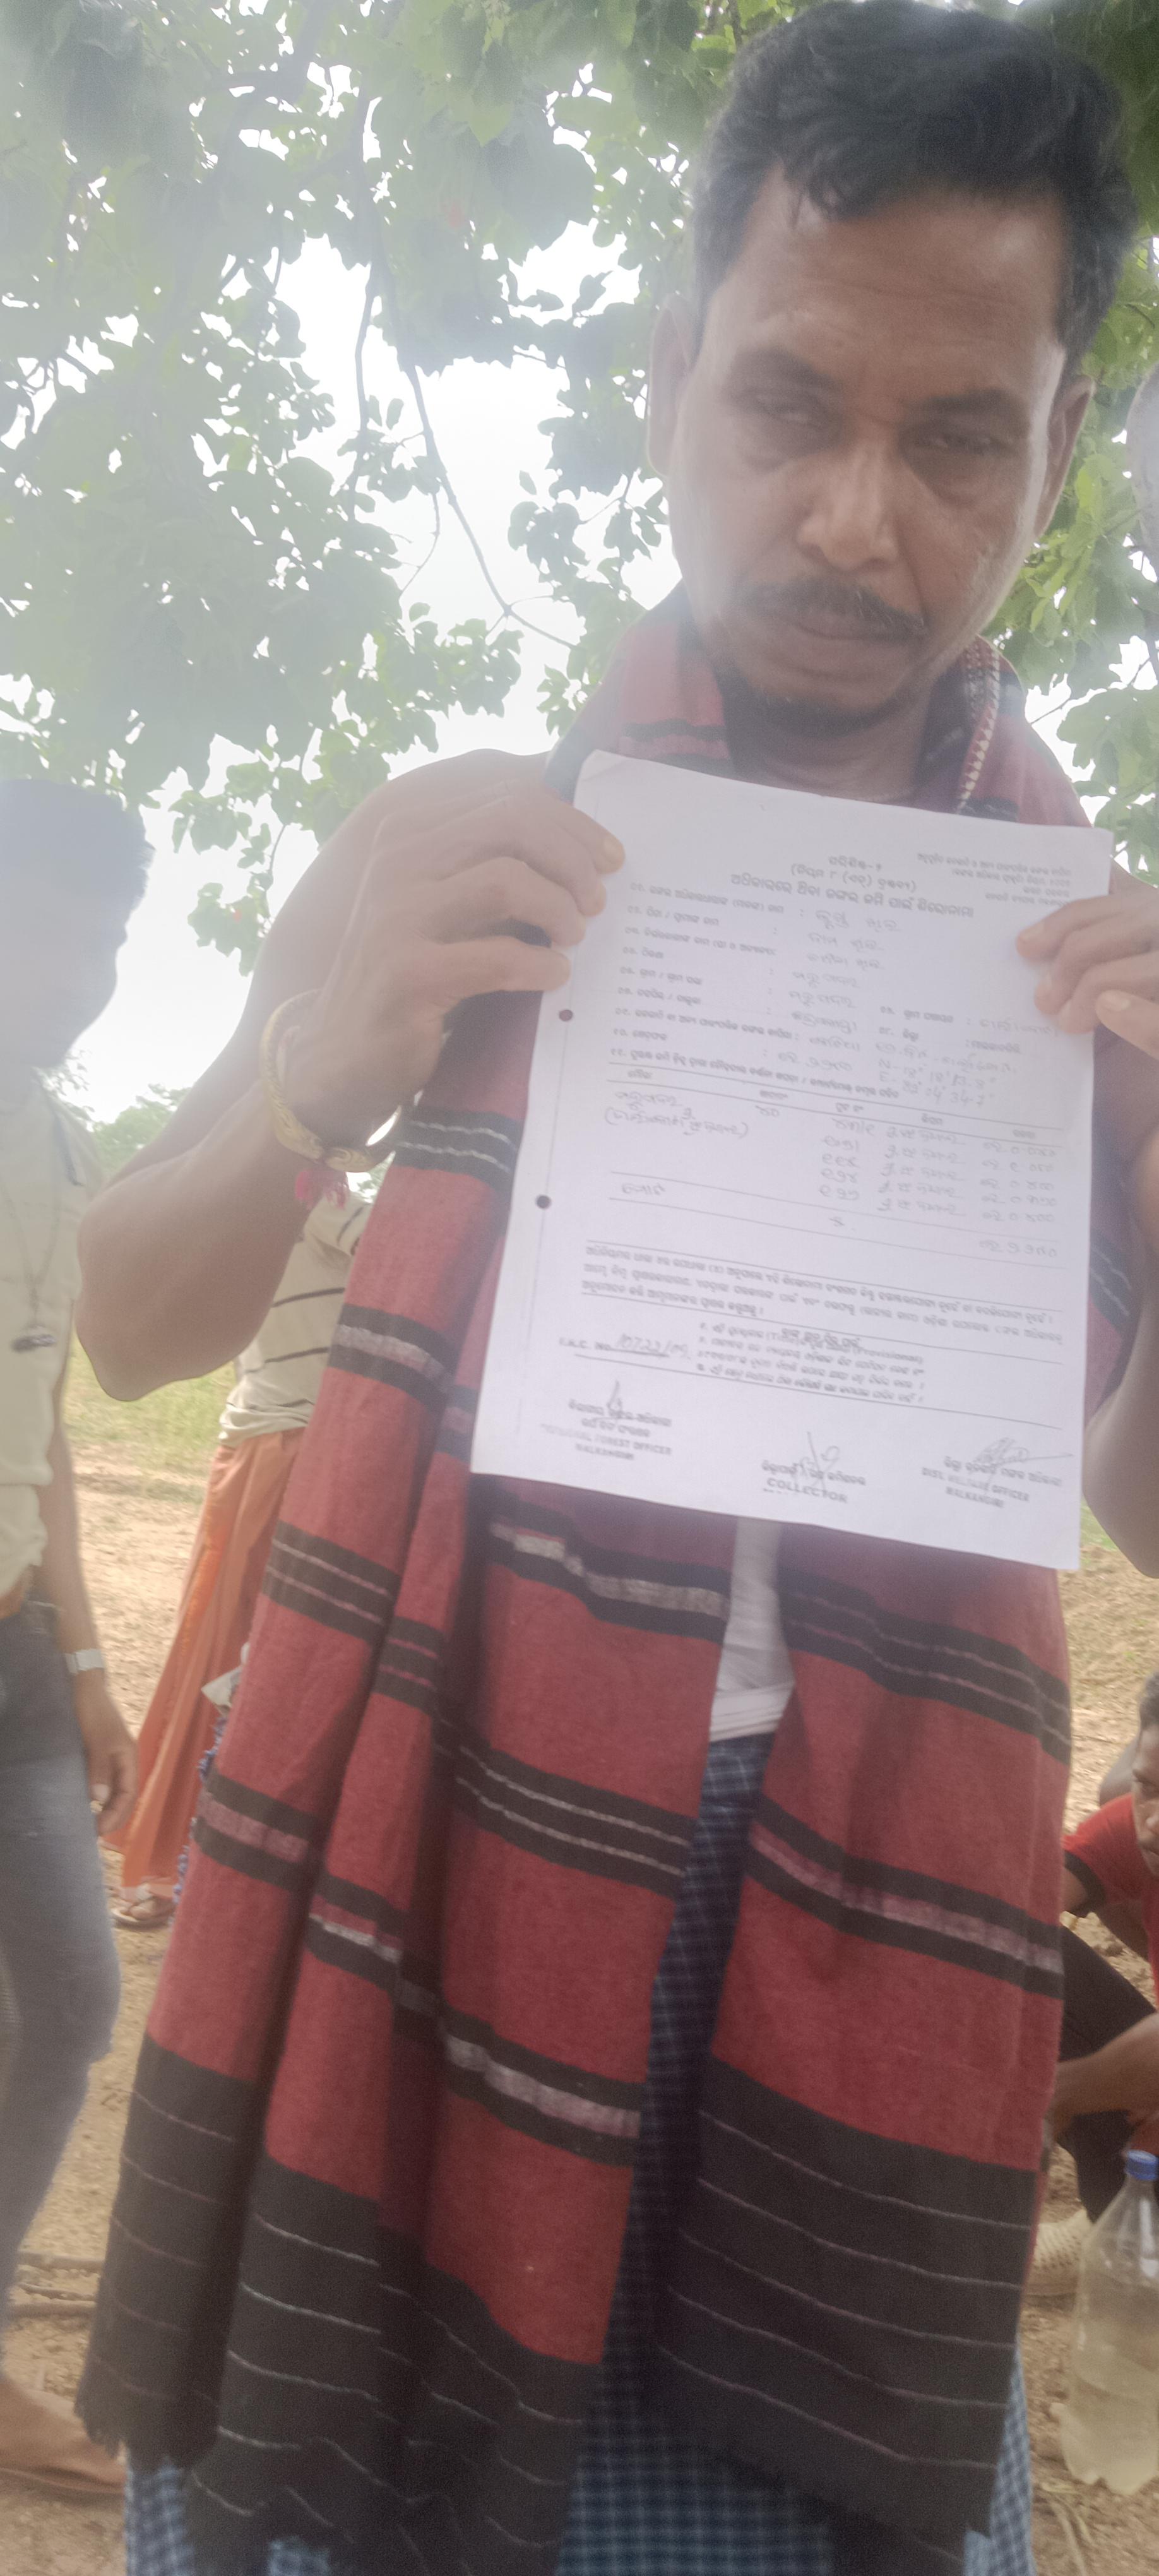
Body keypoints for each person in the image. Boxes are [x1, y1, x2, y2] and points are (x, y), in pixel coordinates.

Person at [75, 11, 1159, 2574]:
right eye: (784, 404)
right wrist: (317, 1067)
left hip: (854, 1963)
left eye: (954, 439)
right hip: (424, 1888)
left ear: (1056, 451)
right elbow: (127, 1316)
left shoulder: (1078, 963)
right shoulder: (456, 848)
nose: (853, 521)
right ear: (668, 381)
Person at [0, 777, 148, 2497]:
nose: (90, 973)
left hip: (22, 1656)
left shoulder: (57, 1146)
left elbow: (40, 1424)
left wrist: (95, 1662)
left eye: (110, 940)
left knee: (73, 1996)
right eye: (58, 930)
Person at [112, 1195, 370, 1930]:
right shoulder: (297, 1206)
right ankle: (185, 1866)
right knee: (247, 1656)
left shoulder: (282, 1205)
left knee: (234, 1653)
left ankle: (182, 1864)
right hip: (282, 1450)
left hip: (273, 1448)